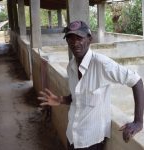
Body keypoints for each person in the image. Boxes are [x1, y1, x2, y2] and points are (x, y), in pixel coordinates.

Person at [38, 21, 144, 150]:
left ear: (89, 39)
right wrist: (61, 100)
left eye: (79, 38)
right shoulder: (71, 67)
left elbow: (136, 81)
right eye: (70, 38)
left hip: (91, 141)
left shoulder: (101, 64)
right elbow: (77, 95)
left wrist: (138, 122)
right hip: (72, 136)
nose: (75, 43)